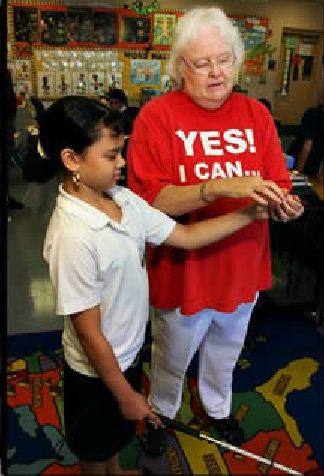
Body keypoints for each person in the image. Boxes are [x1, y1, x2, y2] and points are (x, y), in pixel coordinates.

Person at [40, 95, 285, 475]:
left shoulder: (122, 199)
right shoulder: (73, 235)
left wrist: (252, 212)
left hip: (129, 351)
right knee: (93, 448)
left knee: (114, 440)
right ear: (72, 159)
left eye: (121, 152)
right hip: (96, 371)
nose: (123, 163)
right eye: (110, 156)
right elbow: (87, 332)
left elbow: (185, 235)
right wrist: (124, 394)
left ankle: (117, 471)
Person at [127, 6, 304, 452]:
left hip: (244, 264)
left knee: (226, 351)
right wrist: (214, 187)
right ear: (180, 67)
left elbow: (276, 186)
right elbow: (152, 200)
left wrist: (285, 205)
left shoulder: (256, 114)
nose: (216, 72)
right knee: (170, 357)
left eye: (224, 59)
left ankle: (217, 408)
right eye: (202, 63)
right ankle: (161, 414)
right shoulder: (157, 116)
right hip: (184, 267)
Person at [296, 102, 324, 176]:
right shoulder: (313, 114)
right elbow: (307, 146)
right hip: (304, 160)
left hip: (308, 162)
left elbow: (307, 146)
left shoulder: (312, 113)